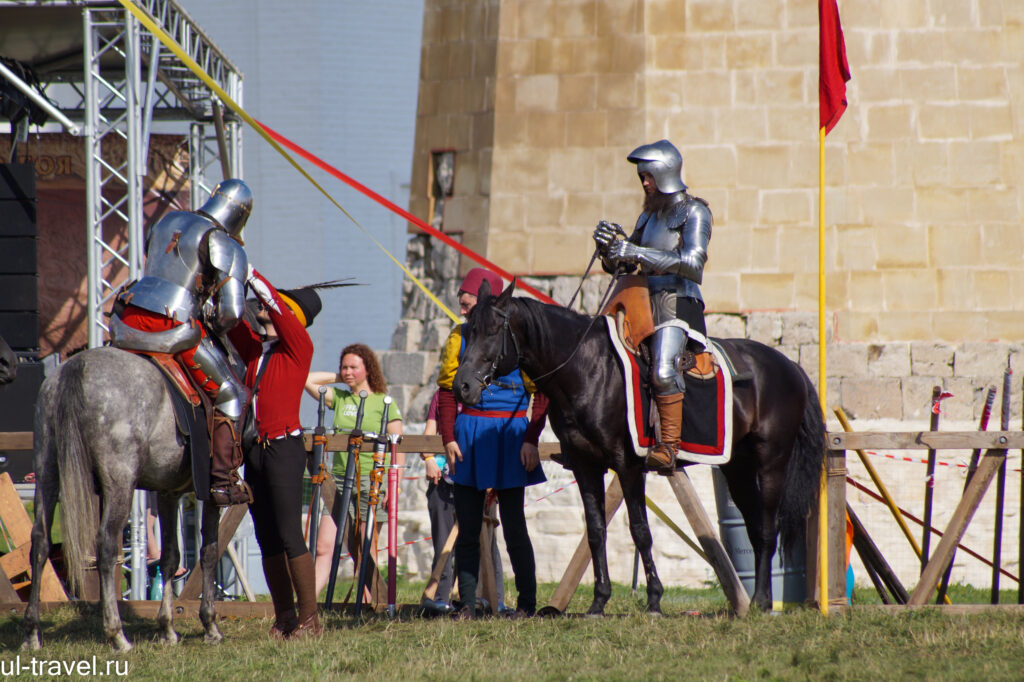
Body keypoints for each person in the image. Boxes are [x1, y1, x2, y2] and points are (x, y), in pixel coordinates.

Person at [109, 179, 254, 506]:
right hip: (173, 327)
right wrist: (214, 323)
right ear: (241, 214)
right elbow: (232, 312)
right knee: (232, 395)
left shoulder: (168, 220)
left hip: (127, 317)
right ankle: (223, 481)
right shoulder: (224, 243)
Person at [593, 139, 713, 473]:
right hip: (640, 303)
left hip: (678, 304)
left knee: (662, 369)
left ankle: (669, 446)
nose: (644, 183)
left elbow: (693, 265)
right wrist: (609, 249)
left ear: (664, 174)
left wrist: (637, 253)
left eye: (647, 175)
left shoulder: (695, 211)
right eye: (642, 176)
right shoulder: (649, 216)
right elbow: (624, 265)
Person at [437, 267, 549, 619]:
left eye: (468, 304)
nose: (464, 310)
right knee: (468, 526)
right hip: (469, 436)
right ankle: (468, 605)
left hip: (510, 438)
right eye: (463, 304)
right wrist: (449, 438)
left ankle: (527, 605)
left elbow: (542, 394)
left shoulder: (516, 340)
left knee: (515, 528)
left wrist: (531, 439)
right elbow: (446, 393)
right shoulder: (458, 338)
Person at [228, 269, 322, 638]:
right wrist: (227, 278)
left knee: (288, 534)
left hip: (284, 447)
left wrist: (249, 272)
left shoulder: (299, 347)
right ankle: (284, 617)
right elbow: (233, 321)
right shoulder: (257, 350)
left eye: (274, 307)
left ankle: (310, 619)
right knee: (266, 534)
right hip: (256, 449)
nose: (265, 310)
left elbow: (277, 307)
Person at [304, 344, 403, 598]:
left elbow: (398, 447)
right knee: (324, 545)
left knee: (365, 548)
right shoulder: (338, 398)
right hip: (336, 482)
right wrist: (341, 379)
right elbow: (307, 380)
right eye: (344, 367)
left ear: (367, 369)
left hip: (372, 480)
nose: (347, 372)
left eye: (353, 367)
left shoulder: (385, 402)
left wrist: (395, 486)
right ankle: (309, 605)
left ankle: (370, 601)